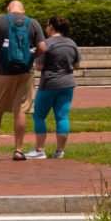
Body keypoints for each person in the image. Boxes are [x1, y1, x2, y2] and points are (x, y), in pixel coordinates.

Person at [0, 0, 41, 161]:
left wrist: (1, 47)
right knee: (21, 110)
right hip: (25, 71)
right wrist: (29, 56)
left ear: (8, 8)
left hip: (3, 71)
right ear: (23, 10)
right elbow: (42, 47)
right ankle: (18, 150)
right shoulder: (32, 22)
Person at [32, 15, 81, 159]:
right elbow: (77, 65)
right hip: (67, 84)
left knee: (39, 115)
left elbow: (39, 67)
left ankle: (40, 150)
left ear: (51, 27)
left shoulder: (46, 44)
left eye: (47, 25)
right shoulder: (72, 43)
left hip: (49, 84)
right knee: (62, 117)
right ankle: (60, 151)